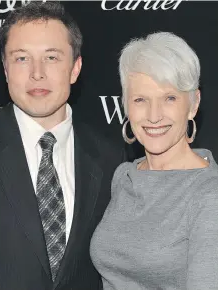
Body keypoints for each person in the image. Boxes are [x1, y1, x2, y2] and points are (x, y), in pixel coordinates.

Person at [0, 2, 126, 290]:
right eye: (22, 58)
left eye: (51, 57)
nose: (37, 73)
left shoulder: (111, 157)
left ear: (75, 69)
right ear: (5, 69)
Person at [90, 32, 218, 290]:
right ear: (126, 106)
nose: (154, 115)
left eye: (169, 98)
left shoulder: (209, 194)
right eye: (140, 100)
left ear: (193, 104)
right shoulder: (124, 176)